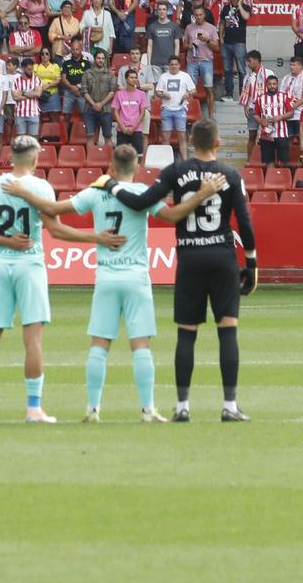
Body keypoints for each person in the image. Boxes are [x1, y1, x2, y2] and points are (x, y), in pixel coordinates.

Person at [4, 142, 221, 423]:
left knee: (99, 345)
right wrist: (202, 194)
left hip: (106, 275)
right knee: (141, 345)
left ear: (110, 167)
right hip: (136, 276)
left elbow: (52, 208)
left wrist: (24, 191)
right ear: (138, 168)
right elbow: (173, 215)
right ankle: (148, 410)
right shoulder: (144, 193)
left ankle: (92, 409)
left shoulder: (94, 194)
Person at [109, 118, 256, 422]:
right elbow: (244, 223)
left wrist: (112, 186)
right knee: (227, 330)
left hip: (190, 256)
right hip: (222, 256)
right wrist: (252, 263)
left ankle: (182, 407)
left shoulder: (175, 171)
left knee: (186, 334)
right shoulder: (230, 174)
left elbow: (140, 203)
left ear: (190, 140)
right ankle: (229, 406)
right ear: (218, 142)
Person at [0, 136, 66, 423]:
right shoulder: (42, 187)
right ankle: (33, 408)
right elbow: (56, 229)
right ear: (35, 158)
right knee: (33, 339)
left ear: (11, 156)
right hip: (31, 261)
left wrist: (2, 240)